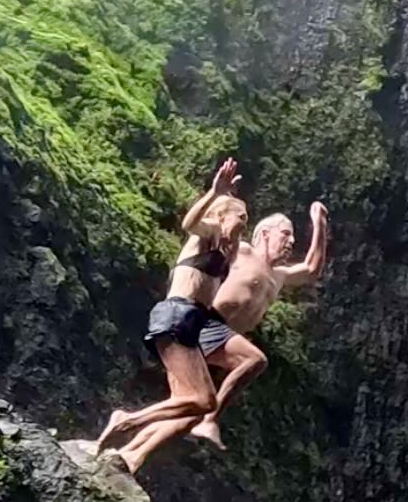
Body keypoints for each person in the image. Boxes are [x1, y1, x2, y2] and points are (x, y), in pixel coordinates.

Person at [112, 201, 328, 472]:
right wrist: (220, 200)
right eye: (285, 234)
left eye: (293, 237)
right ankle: (211, 419)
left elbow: (311, 269)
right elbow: (214, 235)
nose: (291, 241)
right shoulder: (243, 251)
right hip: (205, 323)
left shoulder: (281, 276)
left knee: (186, 410)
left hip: (222, 343)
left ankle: (129, 455)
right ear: (264, 234)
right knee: (255, 360)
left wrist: (319, 224)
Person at [91, 159, 246, 455]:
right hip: (177, 314)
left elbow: (232, 253)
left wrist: (231, 200)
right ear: (221, 217)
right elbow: (189, 223)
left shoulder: (225, 247)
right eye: (242, 216)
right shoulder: (207, 233)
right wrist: (216, 194)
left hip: (193, 322)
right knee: (205, 401)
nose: (244, 222)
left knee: (191, 405)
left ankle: (127, 454)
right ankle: (126, 420)